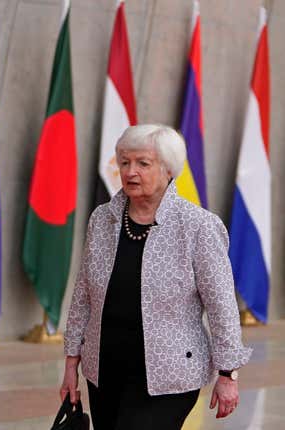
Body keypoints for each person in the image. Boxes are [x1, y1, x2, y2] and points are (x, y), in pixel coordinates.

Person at [60, 124, 252, 429]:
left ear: (168, 169)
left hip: (170, 378)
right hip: (104, 371)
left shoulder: (198, 226)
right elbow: (83, 294)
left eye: (142, 163)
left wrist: (228, 374)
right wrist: (72, 363)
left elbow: (222, 306)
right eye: (124, 162)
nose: (130, 171)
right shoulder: (102, 219)